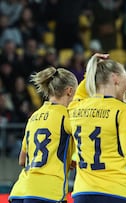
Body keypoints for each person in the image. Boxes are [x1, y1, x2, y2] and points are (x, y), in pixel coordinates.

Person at [68, 54, 126, 203]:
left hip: (82, 192)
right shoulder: (121, 110)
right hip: (116, 191)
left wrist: (91, 69)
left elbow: (80, 93)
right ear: (115, 78)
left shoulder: (75, 108)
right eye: (125, 80)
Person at [8, 67, 78, 203]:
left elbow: (22, 160)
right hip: (48, 192)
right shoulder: (66, 116)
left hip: (20, 191)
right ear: (69, 91)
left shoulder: (34, 116)